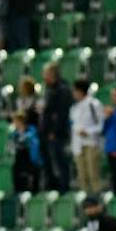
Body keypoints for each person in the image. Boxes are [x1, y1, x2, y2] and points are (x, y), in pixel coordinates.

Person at [38, 63, 72, 191]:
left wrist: (55, 131)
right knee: (48, 164)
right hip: (45, 132)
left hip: (57, 134)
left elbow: (62, 113)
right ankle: (51, 188)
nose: (43, 76)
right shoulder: (47, 89)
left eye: (46, 73)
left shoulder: (62, 89)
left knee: (60, 162)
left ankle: (63, 189)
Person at [70, 79, 104, 192]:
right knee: (82, 176)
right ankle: (85, 201)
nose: (73, 93)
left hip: (91, 143)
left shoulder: (94, 104)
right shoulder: (75, 107)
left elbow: (100, 125)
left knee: (93, 174)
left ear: (80, 91)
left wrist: (88, 132)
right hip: (78, 145)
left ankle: (97, 199)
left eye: (74, 91)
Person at [10, 109, 42, 192]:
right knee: (16, 173)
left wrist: (24, 139)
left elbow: (33, 142)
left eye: (16, 121)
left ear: (21, 121)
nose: (14, 123)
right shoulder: (15, 133)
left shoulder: (32, 130)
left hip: (30, 158)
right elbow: (12, 145)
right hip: (19, 157)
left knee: (32, 176)